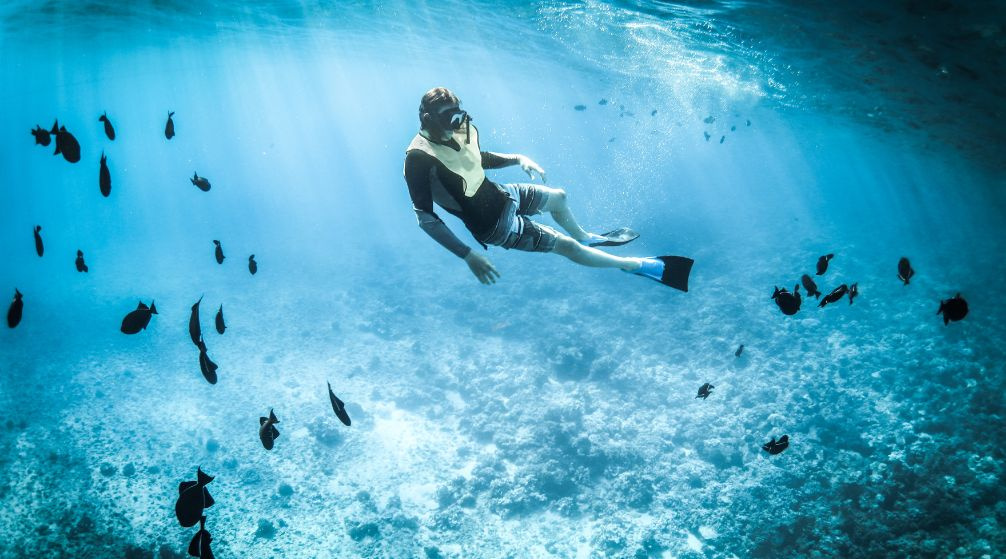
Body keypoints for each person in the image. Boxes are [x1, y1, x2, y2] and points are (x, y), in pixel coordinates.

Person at [403, 87, 692, 290]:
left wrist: (519, 158)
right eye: (448, 119)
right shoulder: (418, 158)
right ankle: (632, 265)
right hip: (493, 226)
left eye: (458, 116)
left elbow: (474, 158)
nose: (457, 124)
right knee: (566, 247)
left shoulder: (458, 128)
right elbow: (425, 218)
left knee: (559, 197)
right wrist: (467, 255)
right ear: (428, 119)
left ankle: (587, 238)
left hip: (502, 193)